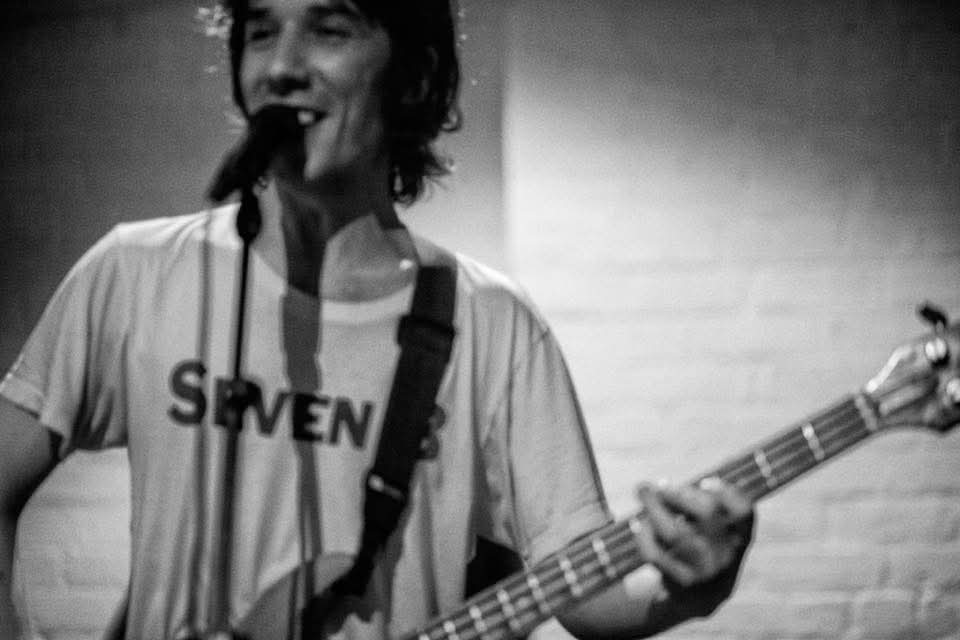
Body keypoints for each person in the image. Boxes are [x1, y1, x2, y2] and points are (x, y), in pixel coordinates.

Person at [0, 0, 754, 638]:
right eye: (261, 31)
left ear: (414, 76)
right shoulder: (136, 272)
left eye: (329, 30)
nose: (281, 66)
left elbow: (590, 598)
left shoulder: (492, 325)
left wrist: (690, 589)